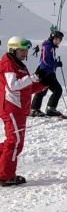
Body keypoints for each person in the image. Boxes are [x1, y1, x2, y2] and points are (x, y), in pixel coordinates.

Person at [1, 37, 47, 186]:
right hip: (12, 108)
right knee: (15, 142)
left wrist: (43, 84)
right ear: (12, 50)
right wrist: (34, 77)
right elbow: (13, 86)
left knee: (14, 142)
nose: (25, 53)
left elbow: (25, 89)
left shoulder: (19, 65)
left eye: (26, 50)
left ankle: (3, 168)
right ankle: (6, 176)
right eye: (22, 50)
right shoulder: (9, 65)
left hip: (19, 109)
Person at [30, 30, 65, 117]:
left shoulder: (51, 46)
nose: (58, 41)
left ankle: (48, 109)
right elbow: (46, 60)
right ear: (52, 38)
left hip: (49, 72)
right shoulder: (48, 46)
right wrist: (56, 64)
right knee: (44, 90)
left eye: (59, 40)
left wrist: (55, 64)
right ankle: (35, 109)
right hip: (45, 72)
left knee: (53, 90)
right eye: (56, 39)